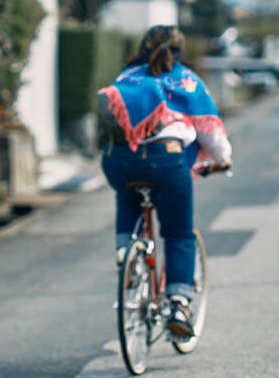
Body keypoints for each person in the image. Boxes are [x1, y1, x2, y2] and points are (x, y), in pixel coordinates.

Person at [97, 25, 233, 339]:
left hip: (116, 162)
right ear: (180, 51)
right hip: (167, 162)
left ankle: (126, 256)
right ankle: (178, 305)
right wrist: (222, 160)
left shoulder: (126, 77)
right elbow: (211, 134)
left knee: (128, 192)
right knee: (178, 234)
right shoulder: (187, 81)